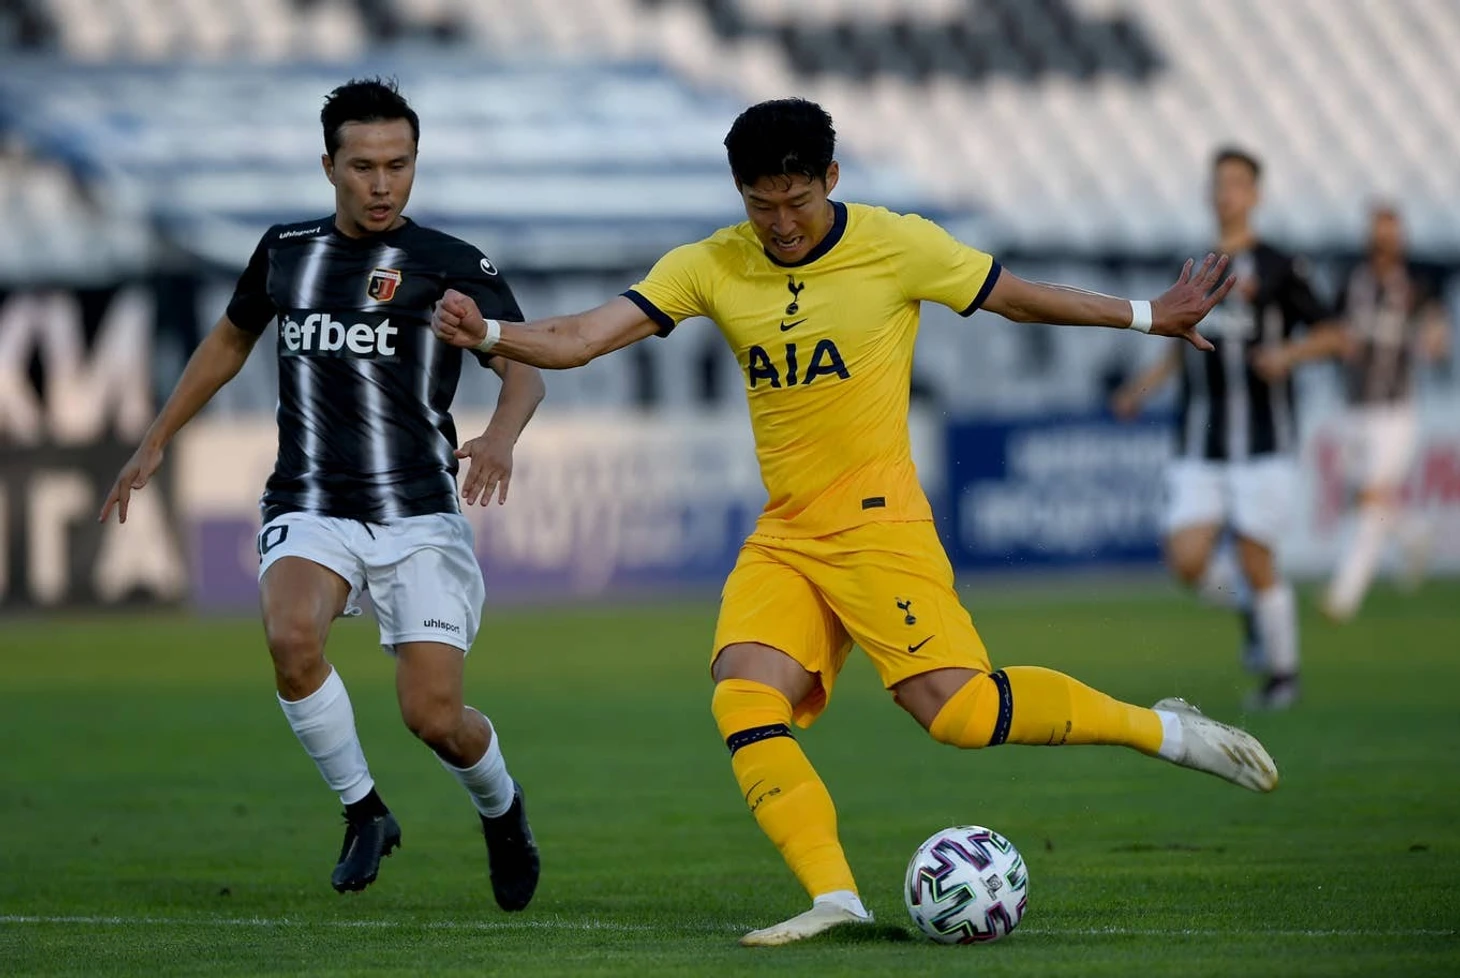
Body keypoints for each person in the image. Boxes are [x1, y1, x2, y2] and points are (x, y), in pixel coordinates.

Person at [431, 99, 1278, 946]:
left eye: (796, 201)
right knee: (743, 693)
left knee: (960, 715)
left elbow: (1018, 299)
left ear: (831, 178)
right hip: (787, 534)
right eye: (760, 204)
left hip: (879, 523)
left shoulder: (897, 244)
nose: (780, 223)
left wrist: (1145, 314)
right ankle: (835, 898)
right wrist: (491, 331)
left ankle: (1163, 729)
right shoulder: (711, 263)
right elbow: (581, 337)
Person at [99, 78, 544, 908]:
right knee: (292, 637)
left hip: (418, 510)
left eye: (398, 166)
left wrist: (499, 437)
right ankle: (364, 811)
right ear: (329, 167)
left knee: (434, 718)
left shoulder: (451, 263)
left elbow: (523, 367)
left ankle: (501, 807)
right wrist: (155, 438)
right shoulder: (286, 250)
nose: (382, 184)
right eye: (363, 166)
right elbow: (230, 340)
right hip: (310, 499)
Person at [1113, 147, 1342, 711]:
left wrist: (1288, 355)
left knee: (1256, 555)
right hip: (1200, 441)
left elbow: (1334, 334)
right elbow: (1176, 344)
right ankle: (1249, 608)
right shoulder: (1193, 266)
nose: (1226, 193)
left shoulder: (1280, 266)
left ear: (1255, 195)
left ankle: (1283, 677)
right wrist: (1141, 389)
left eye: (1237, 183)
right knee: (1187, 560)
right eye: (1219, 183)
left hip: (1265, 440)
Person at [1313, 205, 1449, 619]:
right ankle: (1415, 534)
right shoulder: (1351, 284)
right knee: (1364, 498)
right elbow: (1330, 331)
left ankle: (1343, 597)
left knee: (1372, 499)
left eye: (1390, 235)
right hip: (1353, 406)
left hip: (1395, 409)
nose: (1384, 243)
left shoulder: (1415, 287)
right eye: (1378, 234)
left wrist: (1434, 340)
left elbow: (1437, 336)